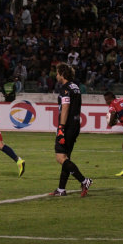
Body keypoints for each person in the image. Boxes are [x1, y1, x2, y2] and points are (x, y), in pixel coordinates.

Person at [49, 63, 93, 197]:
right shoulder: (76, 87)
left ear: (62, 74)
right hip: (75, 125)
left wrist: (61, 128)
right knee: (66, 158)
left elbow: (66, 108)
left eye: (57, 73)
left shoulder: (66, 88)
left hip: (67, 126)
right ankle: (61, 189)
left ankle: (84, 180)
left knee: (60, 157)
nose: (56, 75)